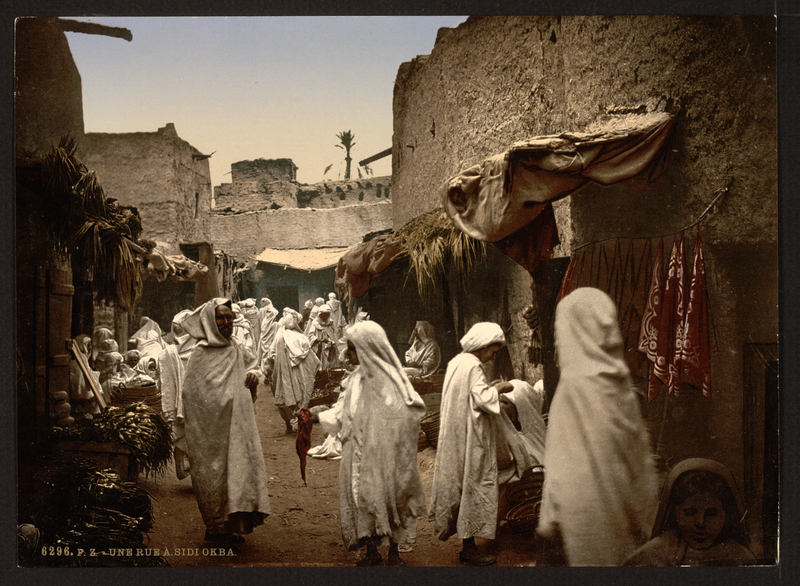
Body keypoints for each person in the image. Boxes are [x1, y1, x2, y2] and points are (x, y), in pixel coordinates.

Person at [537, 287, 657, 566]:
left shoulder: (573, 389)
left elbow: (560, 476)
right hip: (625, 523)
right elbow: (640, 465)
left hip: (580, 533)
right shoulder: (620, 384)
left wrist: (547, 527)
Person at [315, 321, 427, 566]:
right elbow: (345, 412)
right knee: (363, 500)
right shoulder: (356, 378)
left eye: (353, 349)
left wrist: (385, 433)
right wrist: (318, 415)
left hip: (388, 456)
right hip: (357, 452)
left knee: (392, 501)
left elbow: (412, 412)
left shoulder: (393, 379)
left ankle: (394, 553)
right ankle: (372, 551)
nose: (348, 354)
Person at [180, 298, 270, 544]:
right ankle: (216, 528)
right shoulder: (199, 354)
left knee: (238, 471)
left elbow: (254, 367)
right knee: (213, 474)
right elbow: (191, 394)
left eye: (229, 317)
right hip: (209, 431)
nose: (226, 322)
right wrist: (218, 405)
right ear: (210, 320)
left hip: (236, 426)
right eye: (220, 317)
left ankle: (232, 525)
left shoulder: (237, 348)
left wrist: (253, 375)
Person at [428, 322, 514, 566]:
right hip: (471, 437)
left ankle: (466, 541)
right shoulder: (474, 367)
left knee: (460, 484)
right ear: (483, 346)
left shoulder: (457, 362)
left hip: (455, 433)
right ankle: (469, 547)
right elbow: (484, 400)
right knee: (474, 484)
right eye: (493, 351)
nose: (491, 356)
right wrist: (500, 387)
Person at [624, 458, 757, 566]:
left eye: (711, 513)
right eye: (689, 512)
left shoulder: (740, 556)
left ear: (726, 514)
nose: (700, 522)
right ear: (675, 513)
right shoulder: (657, 552)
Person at [269, 313, 320, 434]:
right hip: (299, 372)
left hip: (283, 373)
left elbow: (271, 353)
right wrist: (317, 364)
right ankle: (299, 424)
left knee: (286, 397)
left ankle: (288, 426)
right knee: (301, 395)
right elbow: (307, 353)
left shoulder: (279, 336)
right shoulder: (299, 337)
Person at [307, 304, 340, 370]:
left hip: (330, 346)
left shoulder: (329, 323)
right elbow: (310, 336)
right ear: (320, 314)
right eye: (324, 314)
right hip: (320, 347)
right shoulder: (315, 323)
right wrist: (321, 340)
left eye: (327, 314)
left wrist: (332, 341)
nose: (326, 316)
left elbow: (333, 334)